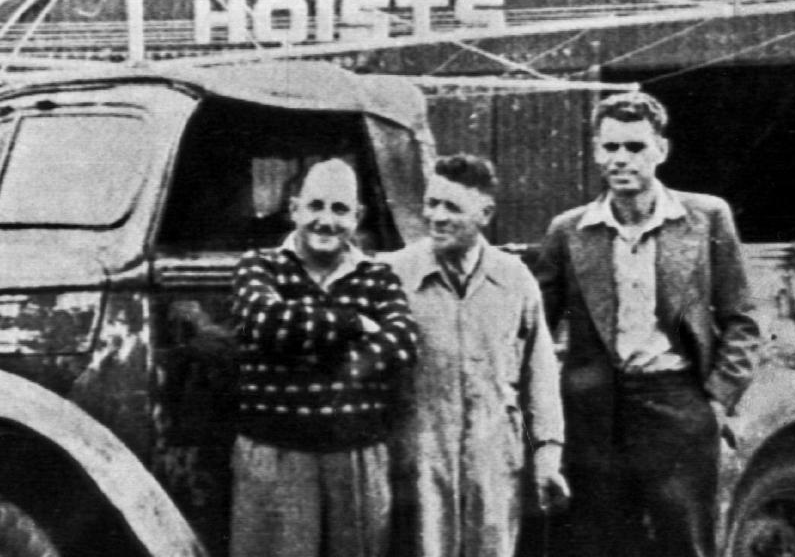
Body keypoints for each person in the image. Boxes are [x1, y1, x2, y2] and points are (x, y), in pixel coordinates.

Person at [534, 91, 759, 557]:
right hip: (593, 415)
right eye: (610, 147)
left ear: (661, 150)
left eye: (635, 147)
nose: (621, 160)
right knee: (598, 543)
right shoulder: (568, 231)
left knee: (685, 542)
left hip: (678, 406)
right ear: (595, 151)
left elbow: (742, 320)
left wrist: (715, 402)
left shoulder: (705, 218)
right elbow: (535, 329)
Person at [229, 158, 420, 557]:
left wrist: (313, 352)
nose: (326, 221)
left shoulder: (378, 277)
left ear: (358, 216)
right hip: (275, 456)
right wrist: (355, 324)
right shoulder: (259, 265)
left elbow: (403, 343)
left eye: (339, 209)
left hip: (355, 458)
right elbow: (266, 322)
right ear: (295, 208)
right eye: (315, 206)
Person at [387, 154, 567, 557]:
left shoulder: (515, 279)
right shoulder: (395, 274)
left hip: (494, 460)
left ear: (484, 213)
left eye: (451, 206)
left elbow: (541, 374)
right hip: (420, 457)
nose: (436, 216)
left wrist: (548, 454)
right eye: (432, 203)